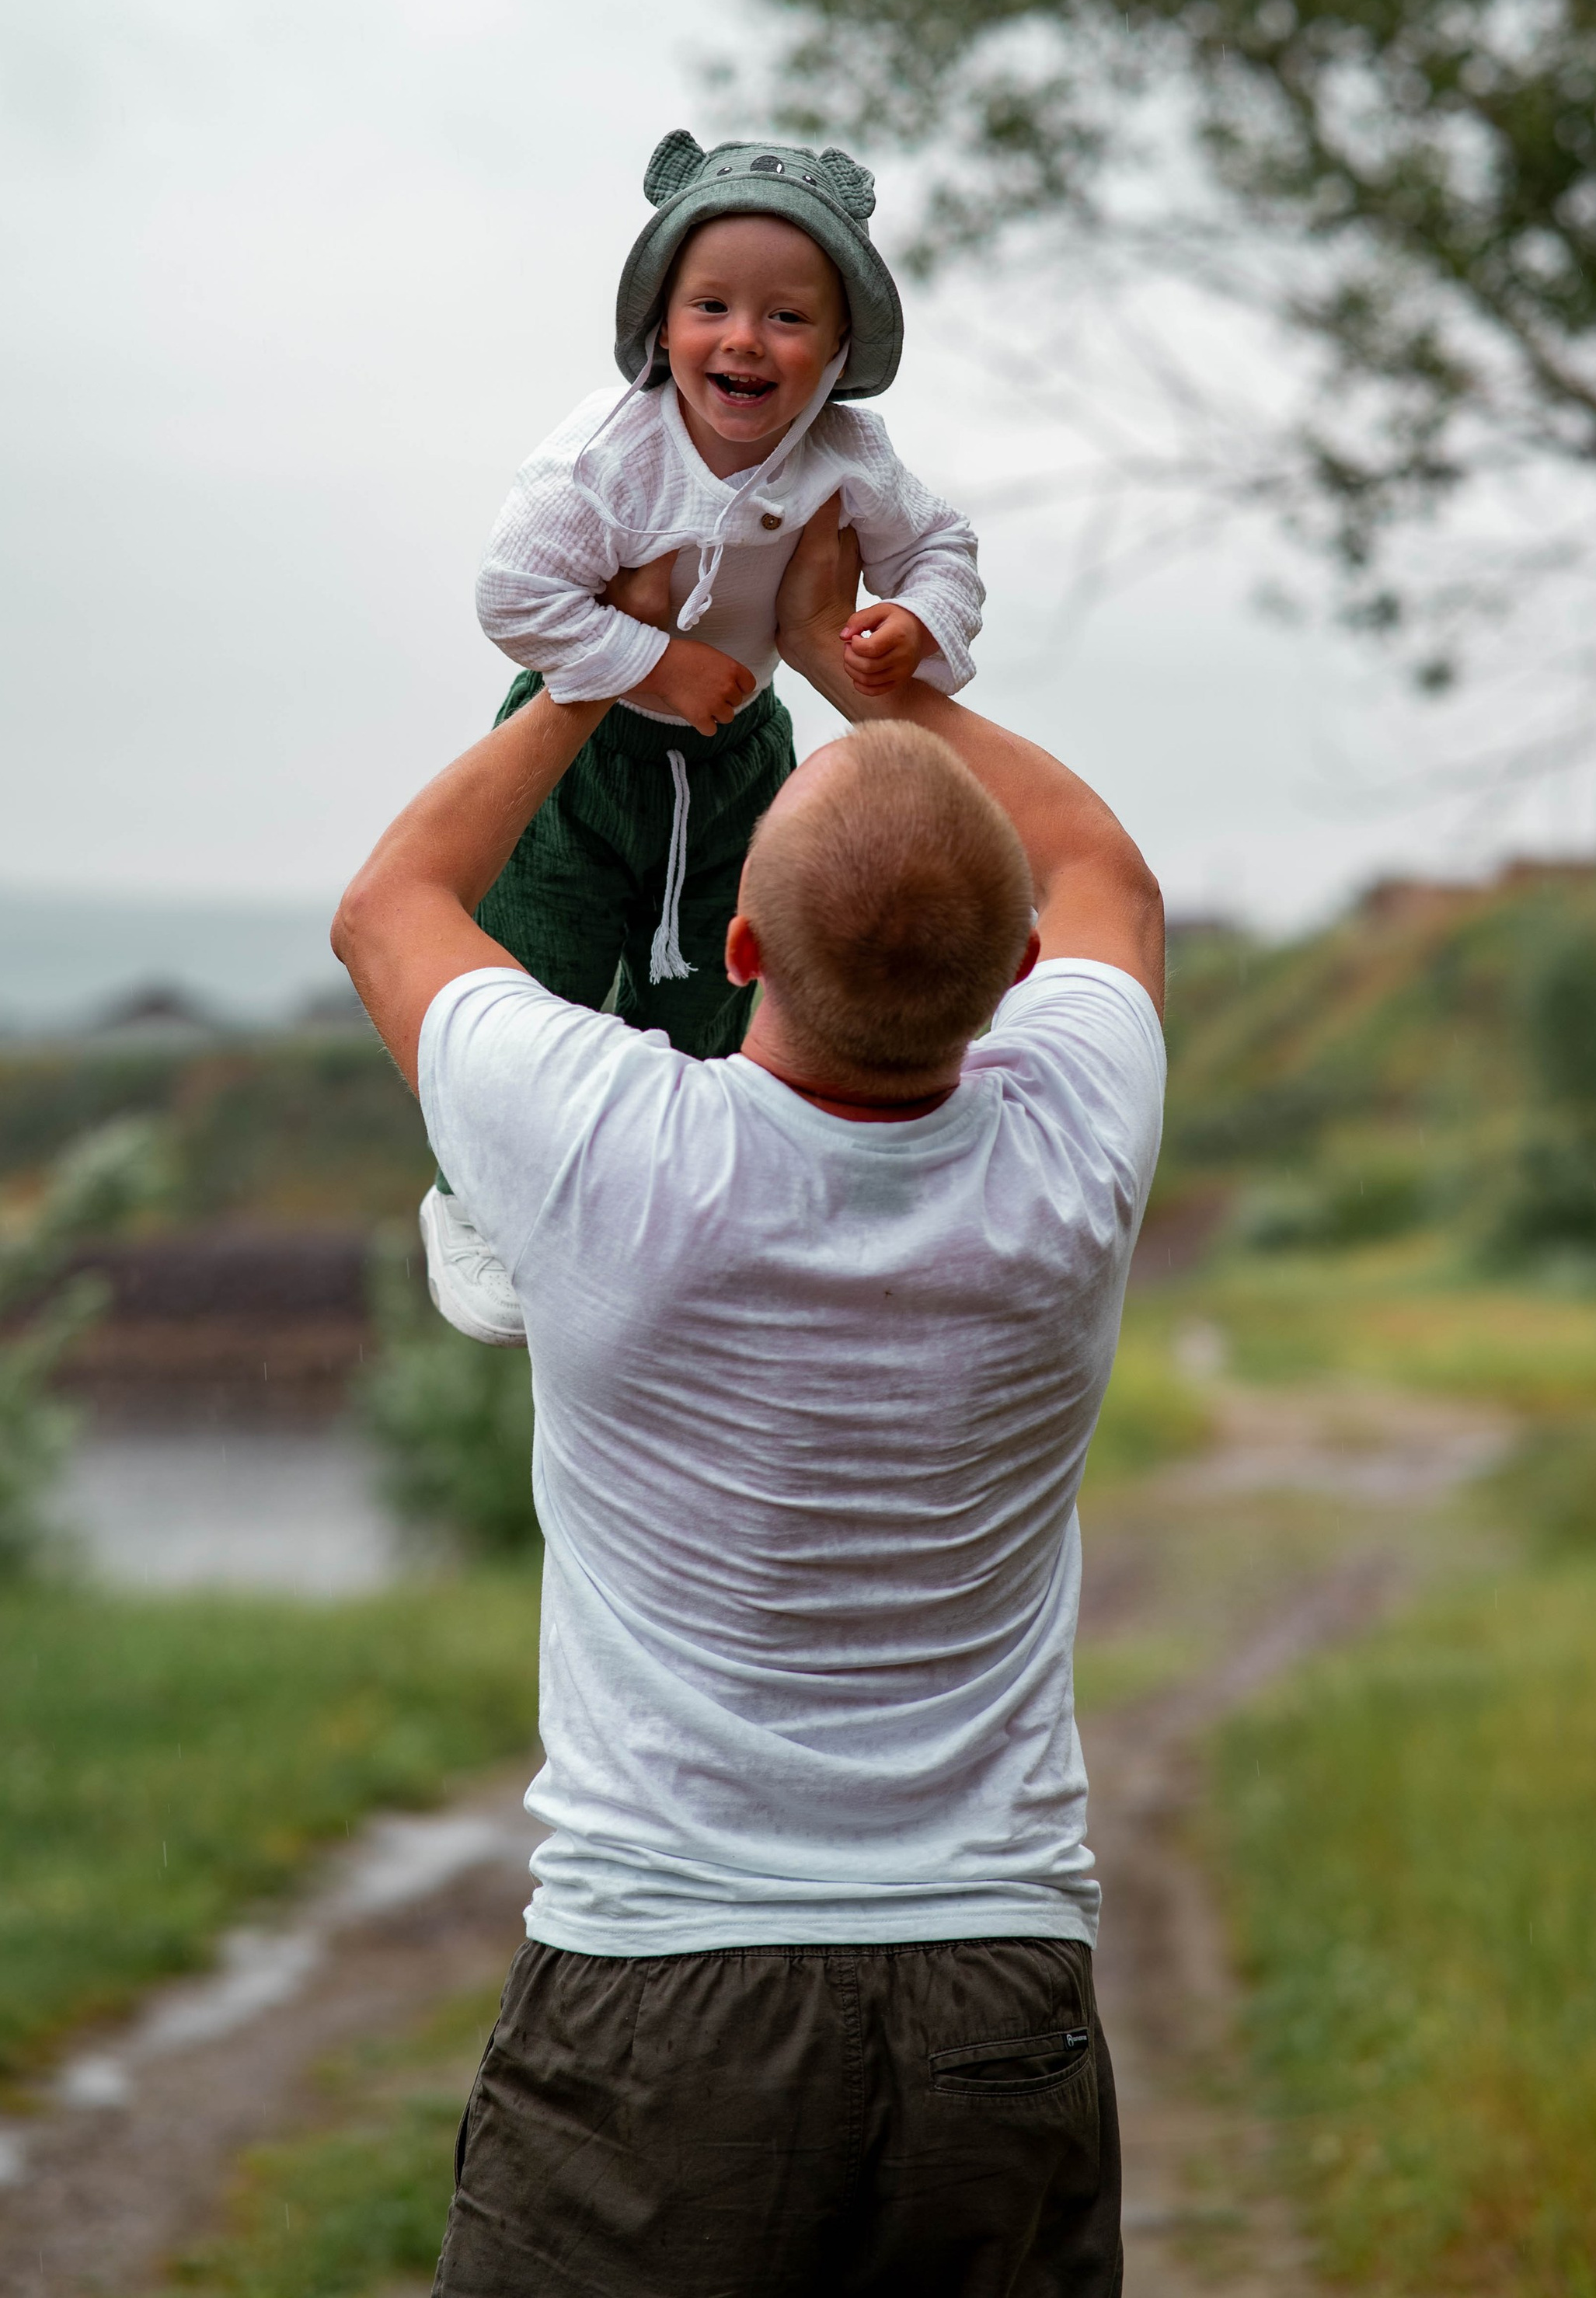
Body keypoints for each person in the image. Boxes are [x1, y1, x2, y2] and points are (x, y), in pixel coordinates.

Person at [330, 497, 1166, 2297]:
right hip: (998, 1988)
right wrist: (852, 666)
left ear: (739, 955)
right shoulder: (1070, 1158)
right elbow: (1104, 873)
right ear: (1015, 979)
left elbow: (391, 908)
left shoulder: (609, 1153)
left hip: (659, 1988)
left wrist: (596, 660)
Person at [422, 126, 984, 1343]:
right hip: (587, 748)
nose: (745, 339)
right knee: (539, 957)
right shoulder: (606, 460)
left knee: (727, 978)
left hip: (738, 754)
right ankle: (476, 1195)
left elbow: (943, 548)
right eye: (712, 306)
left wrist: (911, 624)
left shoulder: (850, 456)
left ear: (839, 351)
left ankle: (730, 1206)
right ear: (658, 328)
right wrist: (658, 663)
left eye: (789, 318)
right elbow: (513, 599)